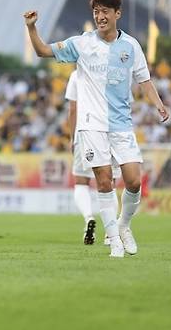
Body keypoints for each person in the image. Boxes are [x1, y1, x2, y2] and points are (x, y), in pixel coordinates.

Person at [25, 0, 168, 258]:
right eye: (96, 12)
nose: (100, 16)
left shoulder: (131, 46)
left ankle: (124, 225)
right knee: (104, 182)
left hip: (122, 125)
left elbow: (144, 79)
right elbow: (43, 51)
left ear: (117, 14)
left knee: (134, 181)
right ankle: (113, 239)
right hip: (91, 126)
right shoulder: (82, 43)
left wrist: (158, 103)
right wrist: (32, 28)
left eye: (105, 11)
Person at [65, 68, 120, 246]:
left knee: (82, 181)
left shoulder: (76, 75)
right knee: (109, 183)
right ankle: (110, 232)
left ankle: (89, 217)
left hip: (85, 131)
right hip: (110, 130)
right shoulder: (112, 72)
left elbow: (73, 109)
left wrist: (73, 138)